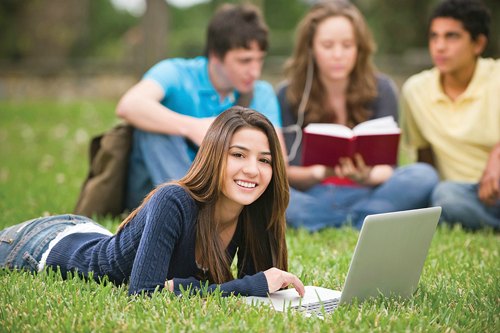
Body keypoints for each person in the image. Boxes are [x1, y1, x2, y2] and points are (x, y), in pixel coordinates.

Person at [0, 107, 305, 298]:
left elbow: (255, 286)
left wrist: (254, 285)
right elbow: (143, 294)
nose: (252, 169)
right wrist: (249, 286)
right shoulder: (172, 201)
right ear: (214, 156)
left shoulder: (255, 213)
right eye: (238, 155)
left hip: (88, 231)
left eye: (264, 160)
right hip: (37, 245)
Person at [278, 0, 439, 232]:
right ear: (311, 48)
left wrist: (365, 175)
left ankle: (330, 222)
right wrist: (322, 172)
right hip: (314, 194)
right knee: (273, 193)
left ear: (359, 48)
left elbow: (389, 167)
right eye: (327, 45)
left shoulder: (382, 88)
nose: (338, 54)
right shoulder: (290, 93)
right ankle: (363, 222)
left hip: (370, 193)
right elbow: (287, 172)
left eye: (347, 45)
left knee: (423, 175)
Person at [116, 3, 282, 211]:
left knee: (304, 202)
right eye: (245, 61)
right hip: (158, 191)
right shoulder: (176, 72)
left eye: (259, 61)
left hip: (230, 192)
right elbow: (129, 105)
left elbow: (278, 159)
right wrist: (191, 127)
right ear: (215, 56)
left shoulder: (261, 92)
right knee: (152, 129)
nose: (254, 72)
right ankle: (187, 209)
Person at [401, 0, 500, 230]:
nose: (440, 46)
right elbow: (424, 157)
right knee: (445, 196)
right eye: (434, 36)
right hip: (465, 196)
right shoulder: (415, 91)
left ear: (478, 44)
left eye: (452, 36)